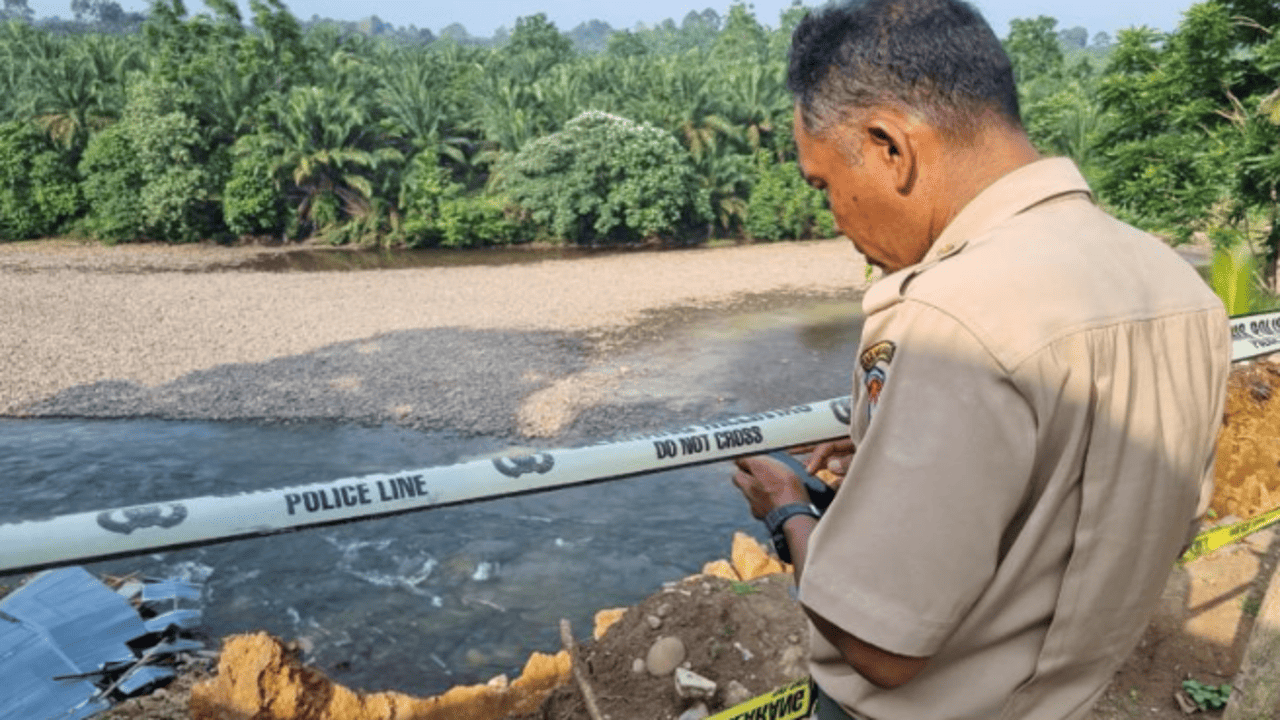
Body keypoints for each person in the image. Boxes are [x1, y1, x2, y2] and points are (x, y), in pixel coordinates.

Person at [728, 1, 1231, 718]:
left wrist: (785, 513)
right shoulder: (1174, 284)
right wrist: (890, 433)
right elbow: (1123, 505)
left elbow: (880, 646)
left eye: (823, 184)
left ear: (886, 146)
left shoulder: (954, 316)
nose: (835, 216)